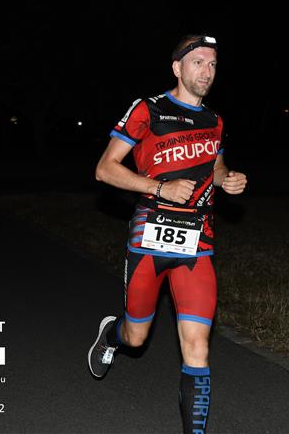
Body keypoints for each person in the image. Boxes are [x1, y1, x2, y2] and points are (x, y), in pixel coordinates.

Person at [87, 34, 247, 434]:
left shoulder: (215, 121)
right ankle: (111, 335)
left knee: (198, 347)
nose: (207, 72)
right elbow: (104, 169)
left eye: (213, 64)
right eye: (198, 63)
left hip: (198, 243)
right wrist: (159, 188)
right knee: (136, 337)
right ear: (177, 68)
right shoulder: (148, 109)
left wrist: (227, 178)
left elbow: (216, 167)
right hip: (149, 239)